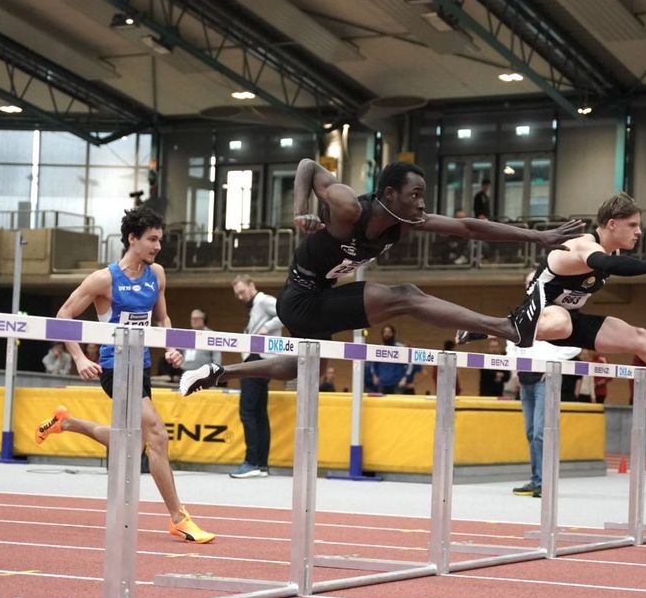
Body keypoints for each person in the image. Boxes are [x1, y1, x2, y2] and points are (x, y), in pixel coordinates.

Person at [177, 159, 584, 396]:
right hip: (299, 296)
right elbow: (306, 166)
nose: (422, 204)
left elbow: (471, 229)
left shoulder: (406, 221)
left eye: (424, 196)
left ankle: (219, 373)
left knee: (302, 366)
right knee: (405, 294)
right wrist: (300, 210)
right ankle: (506, 327)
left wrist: (539, 236)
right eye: (415, 195)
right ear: (389, 195)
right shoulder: (349, 208)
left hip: (319, 296)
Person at [460, 192, 646, 406]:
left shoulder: (612, 252)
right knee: (562, 321)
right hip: (541, 314)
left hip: (568, 320)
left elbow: (610, 264)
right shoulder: (582, 245)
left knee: (640, 337)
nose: (640, 232)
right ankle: (490, 326)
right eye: (633, 225)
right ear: (612, 223)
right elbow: (606, 265)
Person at [34, 206, 213, 543]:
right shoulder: (105, 279)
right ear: (132, 239)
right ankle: (179, 517)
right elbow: (63, 316)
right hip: (115, 368)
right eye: (152, 239)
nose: (158, 246)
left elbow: (163, 320)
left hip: (142, 366)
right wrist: (77, 357)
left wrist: (170, 347)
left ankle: (68, 423)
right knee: (157, 434)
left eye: (160, 239)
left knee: (132, 442)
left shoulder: (157, 274)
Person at [508, 321, 581, 499]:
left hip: (545, 381)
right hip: (525, 382)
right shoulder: (521, 322)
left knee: (540, 433)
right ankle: (536, 480)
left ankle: (544, 482)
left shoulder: (553, 323)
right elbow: (511, 345)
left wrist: (551, 365)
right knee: (531, 432)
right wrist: (514, 371)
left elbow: (576, 346)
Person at [230, 274, 283, 479]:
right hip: (263, 360)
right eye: (237, 294)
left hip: (258, 358)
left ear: (252, 286)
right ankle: (261, 464)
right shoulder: (254, 306)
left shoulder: (262, 300)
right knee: (259, 412)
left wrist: (267, 328)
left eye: (242, 291)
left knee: (247, 411)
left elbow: (285, 312)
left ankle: (251, 461)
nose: (240, 297)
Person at [370, 324, 417, 395]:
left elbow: (410, 363)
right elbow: (373, 364)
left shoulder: (400, 348)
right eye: (385, 332)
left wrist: (405, 378)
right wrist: (374, 376)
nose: (387, 334)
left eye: (389, 332)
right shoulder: (379, 349)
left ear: (393, 334)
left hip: (397, 384)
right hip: (382, 383)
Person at [179, 309, 221, 374]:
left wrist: (215, 372)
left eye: (196, 318)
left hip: (204, 374)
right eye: (192, 318)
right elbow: (179, 351)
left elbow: (217, 357)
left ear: (204, 319)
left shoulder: (211, 335)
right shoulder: (187, 334)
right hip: (185, 372)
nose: (193, 321)